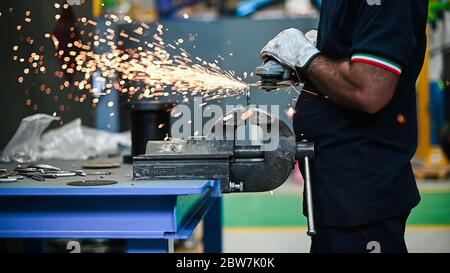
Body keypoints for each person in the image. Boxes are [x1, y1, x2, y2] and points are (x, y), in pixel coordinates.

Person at [260, 0, 429, 253]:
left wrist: (305, 57)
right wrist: (320, 55)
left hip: (362, 196)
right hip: (338, 192)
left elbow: (369, 90)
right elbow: (350, 61)